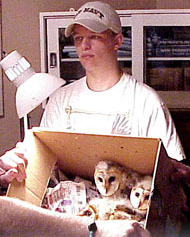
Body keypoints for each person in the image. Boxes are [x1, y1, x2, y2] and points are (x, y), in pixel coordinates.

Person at [0, 1, 190, 237]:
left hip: (128, 223)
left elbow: (171, 176)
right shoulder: (61, 99)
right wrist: (17, 164)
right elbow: (45, 165)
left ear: (117, 41)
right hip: (75, 225)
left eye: (94, 37)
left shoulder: (145, 101)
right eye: (78, 39)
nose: (84, 45)